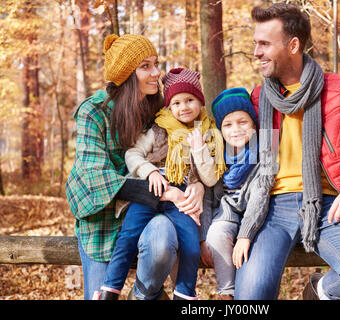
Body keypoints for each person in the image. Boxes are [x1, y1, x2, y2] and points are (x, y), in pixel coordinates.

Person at [233, 3, 340, 300]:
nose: (256, 52)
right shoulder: (258, 98)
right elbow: (229, 151)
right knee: (251, 297)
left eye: (264, 44)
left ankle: (318, 291)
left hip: (330, 205)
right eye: (255, 43)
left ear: (293, 45)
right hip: (272, 209)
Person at [65, 34, 188, 300]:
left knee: (163, 239)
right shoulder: (94, 111)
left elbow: (189, 149)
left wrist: (196, 188)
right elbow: (92, 176)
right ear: (125, 75)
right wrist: (162, 190)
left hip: (148, 213)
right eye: (145, 66)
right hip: (103, 221)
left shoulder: (160, 110)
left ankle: (142, 295)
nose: (157, 72)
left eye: (156, 63)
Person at [97, 67, 227, 300]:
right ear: (168, 106)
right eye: (176, 103)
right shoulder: (158, 129)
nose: (183, 107)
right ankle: (110, 289)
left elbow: (209, 178)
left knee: (190, 244)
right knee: (128, 236)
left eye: (189, 100)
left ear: (200, 102)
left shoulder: (209, 134)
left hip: (181, 196)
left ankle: (184, 294)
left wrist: (199, 149)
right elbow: (132, 154)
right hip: (150, 191)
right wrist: (149, 172)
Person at [204, 87, 272, 300]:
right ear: (220, 129)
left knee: (259, 249)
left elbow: (261, 195)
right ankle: (227, 293)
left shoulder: (265, 152)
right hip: (227, 213)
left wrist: (245, 234)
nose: (236, 130)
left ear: (253, 125)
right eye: (228, 124)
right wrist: (202, 237)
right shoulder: (216, 155)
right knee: (216, 235)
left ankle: (252, 294)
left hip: (259, 217)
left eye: (243, 122)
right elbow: (207, 199)